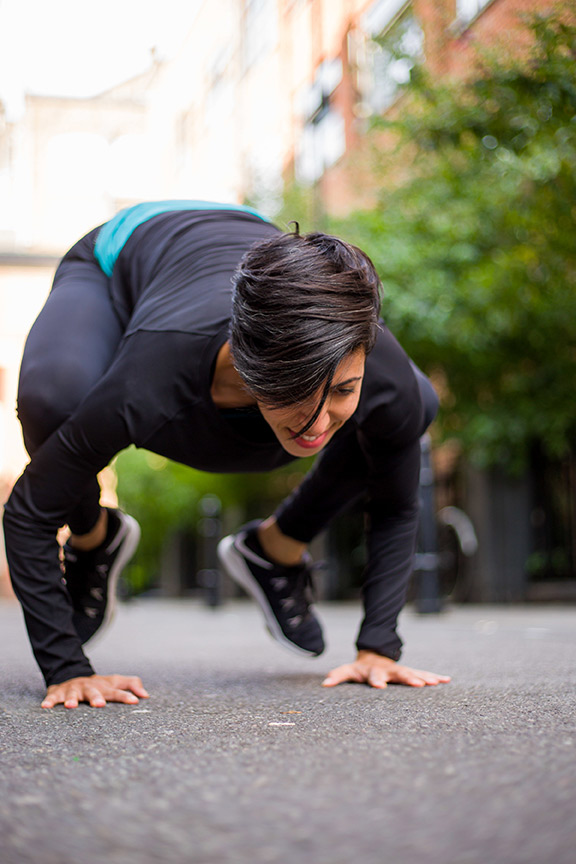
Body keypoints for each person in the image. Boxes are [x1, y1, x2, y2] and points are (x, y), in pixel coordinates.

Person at [2, 200, 450, 710]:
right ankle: (93, 537)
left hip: (241, 246)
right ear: (243, 359)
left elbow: (395, 505)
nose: (319, 424)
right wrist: (65, 668)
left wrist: (379, 649)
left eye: (345, 391)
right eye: (295, 395)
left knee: (414, 406)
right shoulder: (154, 373)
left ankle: (275, 549)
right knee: (52, 398)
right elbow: (27, 513)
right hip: (119, 258)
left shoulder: (376, 368)